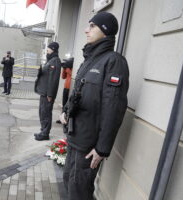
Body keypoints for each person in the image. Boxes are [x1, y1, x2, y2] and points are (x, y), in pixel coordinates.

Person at [60, 12, 129, 200]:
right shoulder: (89, 60)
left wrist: (102, 148)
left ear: (105, 31)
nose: (86, 30)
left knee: (79, 191)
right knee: (68, 181)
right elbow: (77, 93)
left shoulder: (114, 62)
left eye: (92, 26)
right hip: (75, 136)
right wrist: (65, 112)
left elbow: (114, 109)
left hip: (89, 144)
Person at [34, 42, 61, 141]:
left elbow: (53, 79)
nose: (47, 50)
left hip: (47, 94)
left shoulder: (55, 61)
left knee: (46, 113)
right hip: (43, 92)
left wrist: (50, 94)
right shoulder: (50, 60)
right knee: (42, 112)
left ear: (53, 49)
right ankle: (43, 130)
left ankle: (45, 133)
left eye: (48, 49)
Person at [56, 57, 73, 124]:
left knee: (69, 105)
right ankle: (62, 118)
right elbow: (63, 77)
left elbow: (73, 75)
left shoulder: (73, 69)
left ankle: (68, 119)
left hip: (71, 88)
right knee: (64, 104)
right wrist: (64, 68)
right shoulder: (67, 68)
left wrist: (68, 69)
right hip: (66, 88)